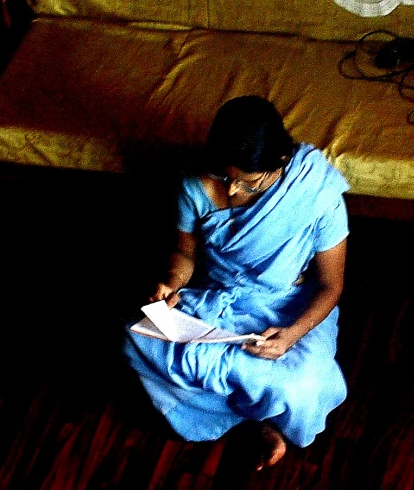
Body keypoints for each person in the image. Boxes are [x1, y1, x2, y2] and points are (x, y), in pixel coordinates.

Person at [125, 96, 349, 469]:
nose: (230, 191)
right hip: (218, 295)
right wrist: (170, 284)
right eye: (225, 177)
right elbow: (185, 255)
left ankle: (271, 421)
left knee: (302, 385)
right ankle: (248, 416)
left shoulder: (316, 194)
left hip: (288, 304)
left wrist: (292, 334)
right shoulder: (195, 186)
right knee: (139, 339)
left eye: (247, 184)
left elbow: (331, 285)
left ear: (278, 163)